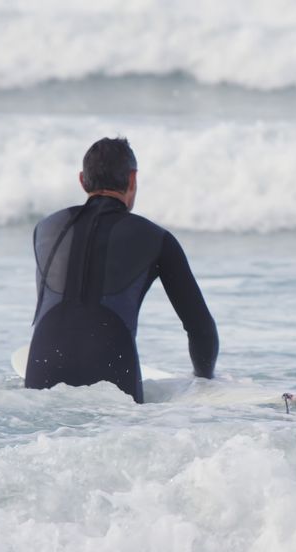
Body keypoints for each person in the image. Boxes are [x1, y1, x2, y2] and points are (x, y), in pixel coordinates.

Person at [25, 137, 218, 402]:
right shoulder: (156, 238)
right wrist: (205, 380)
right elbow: (200, 328)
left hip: (41, 366)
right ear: (132, 179)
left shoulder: (45, 229)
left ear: (82, 180)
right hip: (112, 370)